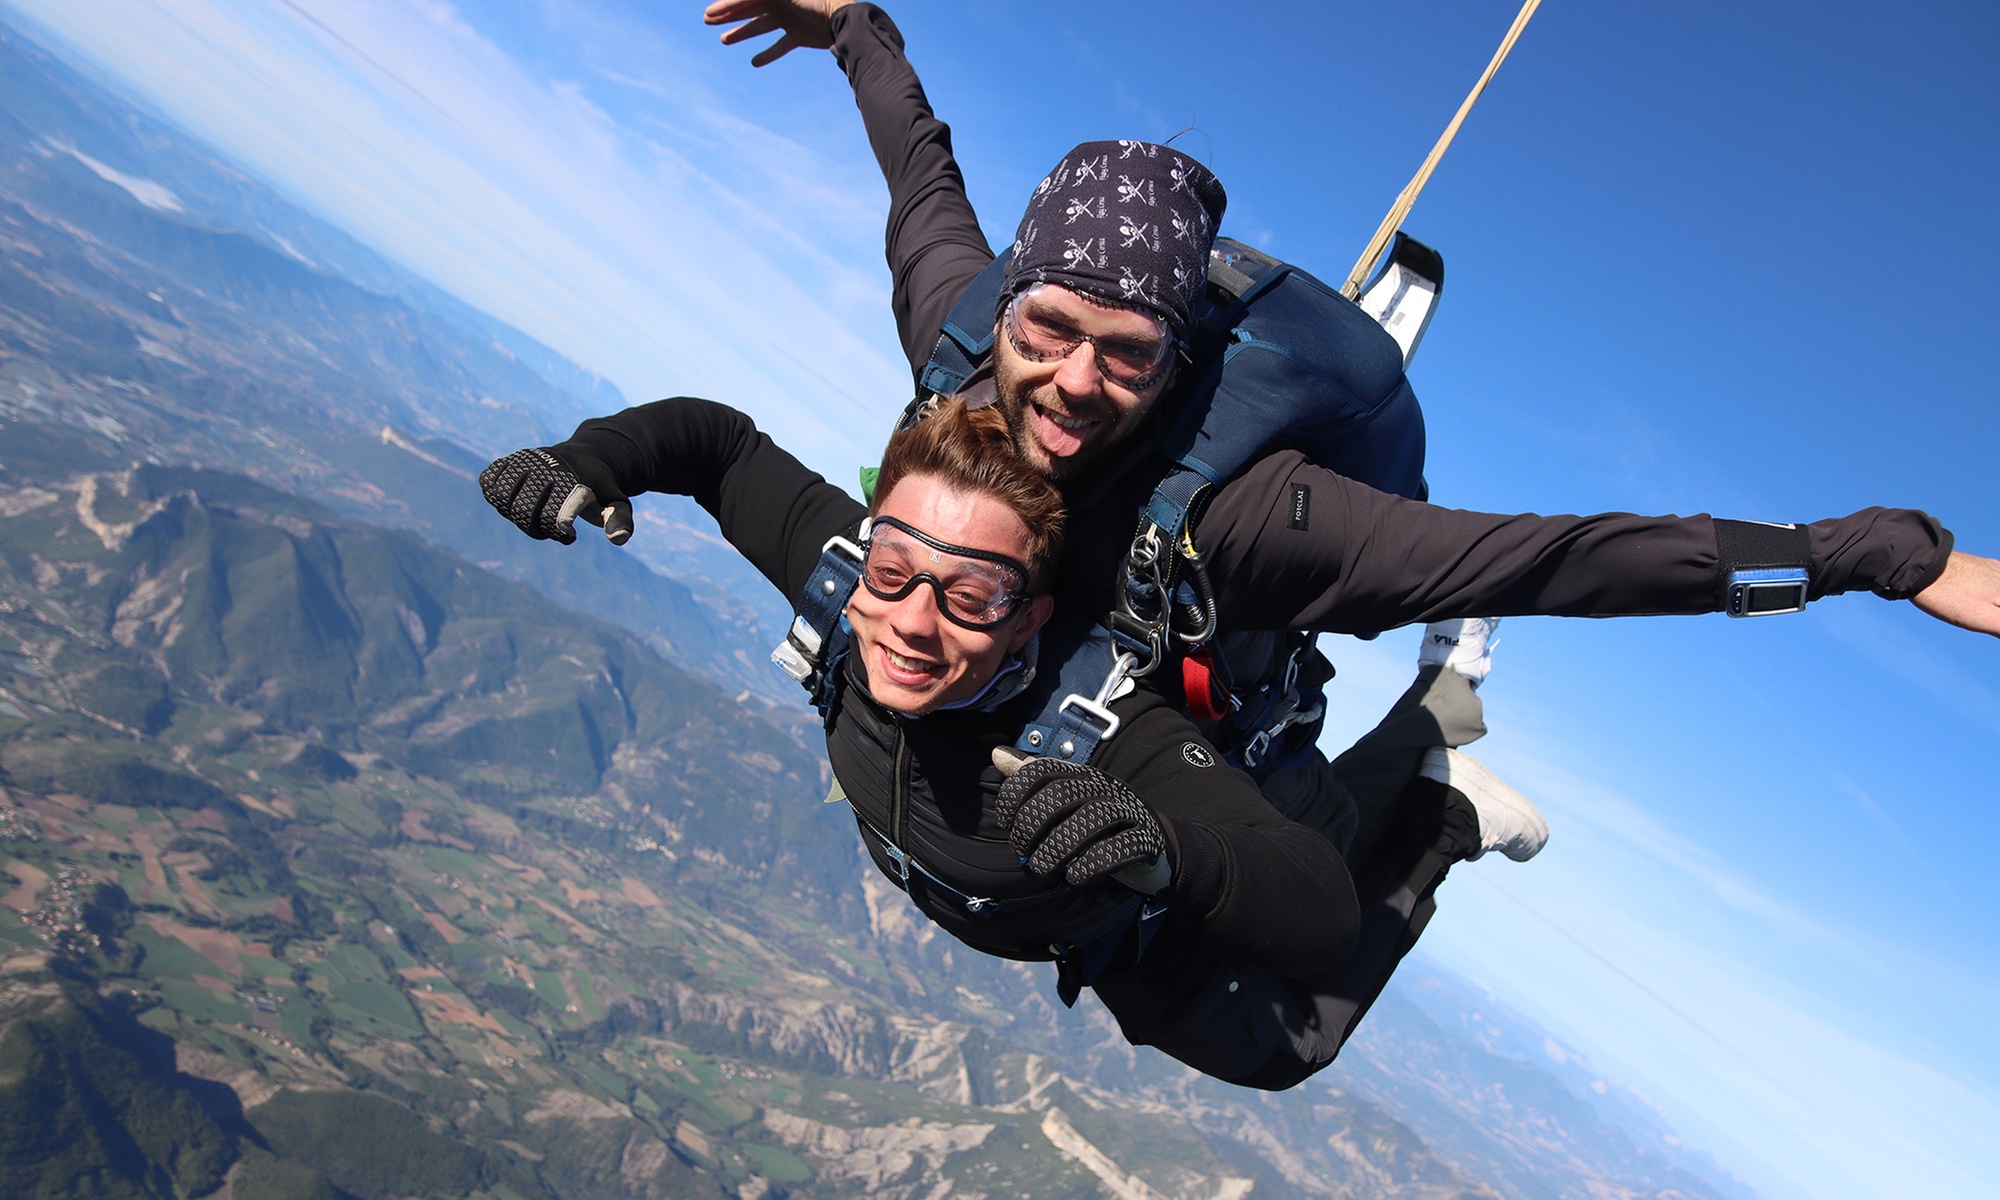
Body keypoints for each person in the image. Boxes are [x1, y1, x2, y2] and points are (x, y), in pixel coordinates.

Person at [478, 393, 1999, 1089]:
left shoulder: (1098, 718)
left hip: (1132, 915)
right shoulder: (847, 568)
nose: (911, 619)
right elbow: (718, 444)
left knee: (1284, 1041)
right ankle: (1420, 737)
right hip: (1026, 897)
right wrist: (580, 461)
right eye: (892, 565)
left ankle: (1451, 808)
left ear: (1030, 617)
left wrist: (1866, 553)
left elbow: (1302, 910)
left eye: (973, 592)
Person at [699, 0, 1493, 869]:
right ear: (1017, 315)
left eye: (1120, 355)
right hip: (1071, 688)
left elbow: (1401, 572)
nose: (1071, 381)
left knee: (1291, 907)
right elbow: (921, 184)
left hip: (1202, 703)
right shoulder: (972, 352)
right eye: (1047, 338)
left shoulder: (1220, 505)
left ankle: (1446, 765)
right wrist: (854, 26)